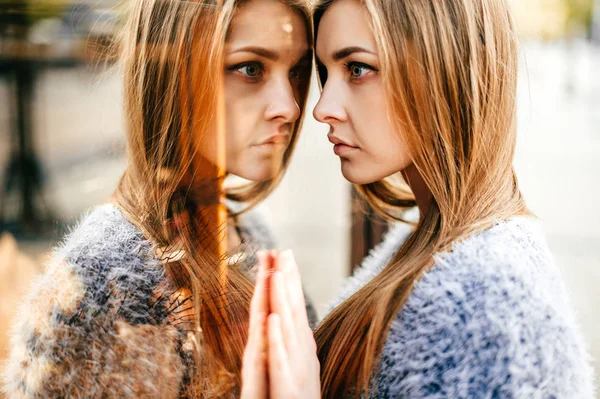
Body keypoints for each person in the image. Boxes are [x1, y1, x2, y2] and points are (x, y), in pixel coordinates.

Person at [242, 0, 595, 397]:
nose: (322, 109)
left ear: (445, 71)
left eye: (358, 69)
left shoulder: (487, 304)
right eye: (325, 72)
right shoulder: (435, 252)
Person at [1, 0, 314, 396]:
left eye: (298, 71)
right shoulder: (106, 278)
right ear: (172, 75)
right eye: (250, 68)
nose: (289, 106)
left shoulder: (249, 232)